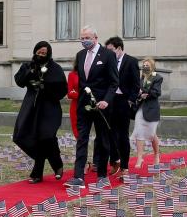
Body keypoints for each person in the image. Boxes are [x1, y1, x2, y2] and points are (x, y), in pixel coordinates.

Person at [13, 40, 68, 183]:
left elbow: (62, 89)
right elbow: (19, 81)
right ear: (35, 51)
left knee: (47, 136)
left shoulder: (55, 68)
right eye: (39, 52)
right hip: (32, 106)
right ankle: (39, 173)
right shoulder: (28, 65)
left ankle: (56, 164)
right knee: (25, 136)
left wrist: (45, 86)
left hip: (50, 108)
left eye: (44, 53)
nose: (41, 55)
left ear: (48, 54)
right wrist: (30, 73)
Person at [72, 25, 119, 181]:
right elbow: (82, 81)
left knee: (103, 139)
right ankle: (78, 176)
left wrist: (106, 100)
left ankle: (102, 175)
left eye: (87, 38)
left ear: (96, 38)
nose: (84, 41)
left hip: (102, 106)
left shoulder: (107, 55)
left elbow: (114, 82)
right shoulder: (80, 55)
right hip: (84, 105)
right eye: (82, 38)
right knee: (82, 139)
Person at [104, 36, 140, 177]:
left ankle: (125, 166)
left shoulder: (131, 61)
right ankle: (114, 161)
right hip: (110, 100)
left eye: (111, 50)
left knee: (122, 135)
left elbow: (136, 84)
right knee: (110, 133)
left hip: (124, 101)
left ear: (119, 48)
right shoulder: (108, 62)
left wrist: (130, 100)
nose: (109, 53)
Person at [132, 58, 163, 169]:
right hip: (141, 108)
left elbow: (157, 92)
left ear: (152, 67)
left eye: (147, 65)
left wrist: (146, 93)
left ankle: (156, 155)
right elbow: (137, 91)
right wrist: (139, 95)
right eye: (144, 65)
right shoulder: (141, 78)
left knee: (151, 134)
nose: (145, 67)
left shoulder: (157, 77)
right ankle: (140, 157)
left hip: (152, 109)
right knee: (139, 131)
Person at [66, 69, 80, 140]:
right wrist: (82, 95)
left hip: (91, 104)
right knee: (78, 133)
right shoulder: (72, 74)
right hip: (76, 105)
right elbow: (70, 94)